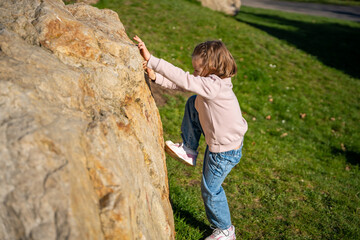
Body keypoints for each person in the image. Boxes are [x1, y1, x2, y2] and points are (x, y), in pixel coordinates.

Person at [134, 35, 248, 240]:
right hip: (222, 144)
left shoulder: (213, 87)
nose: (194, 73)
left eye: (197, 70)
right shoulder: (212, 83)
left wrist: (152, 60)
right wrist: (155, 78)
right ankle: (189, 148)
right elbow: (185, 85)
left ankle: (225, 230)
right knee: (193, 102)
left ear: (211, 67)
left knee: (211, 190)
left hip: (224, 152)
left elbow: (184, 79)